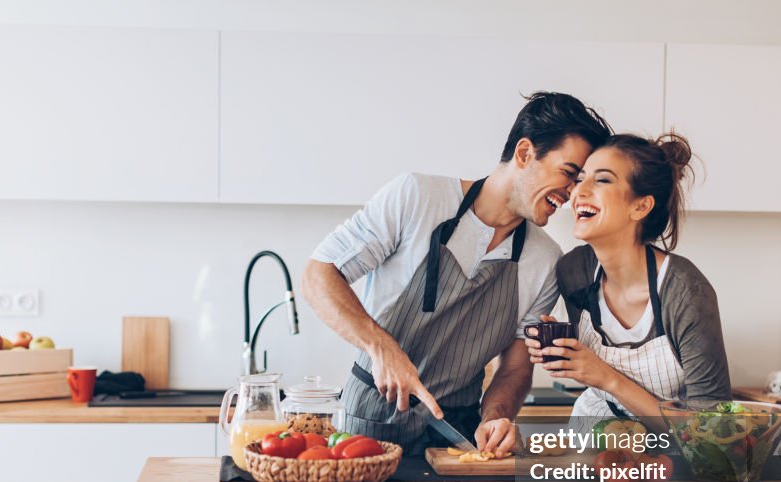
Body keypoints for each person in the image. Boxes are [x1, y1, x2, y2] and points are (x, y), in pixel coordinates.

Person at [303, 92, 613, 456]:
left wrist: (496, 417)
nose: (574, 193)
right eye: (569, 174)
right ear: (525, 153)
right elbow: (318, 273)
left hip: (457, 434)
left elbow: (514, 368)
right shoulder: (417, 198)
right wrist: (380, 346)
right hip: (370, 424)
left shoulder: (545, 260)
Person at [525, 132, 731, 418]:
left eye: (602, 179)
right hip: (596, 433)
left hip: (673, 452)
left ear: (641, 206)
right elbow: (590, 375)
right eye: (581, 178)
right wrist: (565, 353)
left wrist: (605, 376)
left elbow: (710, 428)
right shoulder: (574, 271)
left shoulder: (686, 290)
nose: (578, 191)